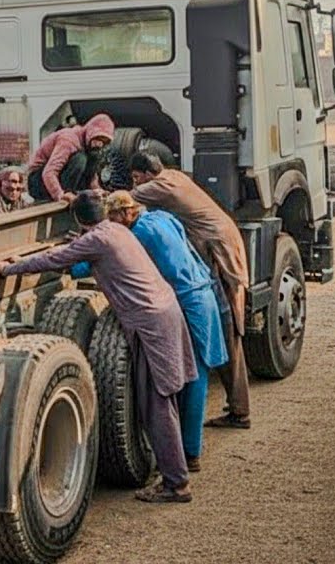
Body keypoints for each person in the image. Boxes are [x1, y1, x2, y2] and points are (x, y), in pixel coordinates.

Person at [0, 191, 196, 503]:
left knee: (155, 402)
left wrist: (10, 268)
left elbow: (53, 260)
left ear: (79, 219)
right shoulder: (117, 230)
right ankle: (177, 469)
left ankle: (176, 484)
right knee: (165, 396)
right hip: (166, 309)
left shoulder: (96, 240)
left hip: (149, 322)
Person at [103, 191, 228, 472]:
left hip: (189, 299)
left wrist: (75, 262)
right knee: (195, 372)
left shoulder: (138, 234)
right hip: (203, 291)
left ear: (125, 214)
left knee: (195, 375)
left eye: (113, 220)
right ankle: (187, 450)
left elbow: (111, 254)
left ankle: (190, 453)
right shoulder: (162, 217)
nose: (112, 227)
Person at [129, 152, 253, 429]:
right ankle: (238, 406)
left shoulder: (161, 185)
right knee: (225, 331)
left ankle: (240, 411)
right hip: (222, 246)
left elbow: (125, 201)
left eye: (137, 178)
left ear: (147, 175)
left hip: (221, 257)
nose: (136, 183)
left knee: (227, 329)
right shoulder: (174, 175)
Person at [26, 113, 116, 203]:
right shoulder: (68, 140)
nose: (100, 144)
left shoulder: (90, 147)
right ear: (90, 132)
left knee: (94, 157)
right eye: (98, 138)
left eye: (104, 142)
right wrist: (60, 195)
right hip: (38, 180)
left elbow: (92, 177)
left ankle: (76, 194)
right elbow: (49, 172)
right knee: (80, 159)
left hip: (58, 178)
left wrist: (98, 191)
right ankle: (67, 193)